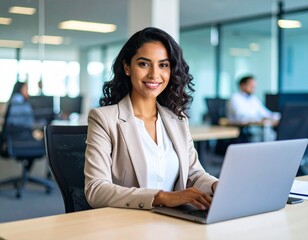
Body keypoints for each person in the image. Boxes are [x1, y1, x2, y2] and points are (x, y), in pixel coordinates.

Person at [84, 27, 218, 211]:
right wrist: (162, 197)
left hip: (174, 222)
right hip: (127, 224)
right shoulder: (104, 119)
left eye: (163, 65)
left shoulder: (177, 120)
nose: (154, 74)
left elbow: (193, 174)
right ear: (127, 67)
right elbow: (96, 190)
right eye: (144, 64)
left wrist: (216, 186)